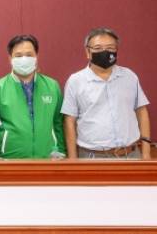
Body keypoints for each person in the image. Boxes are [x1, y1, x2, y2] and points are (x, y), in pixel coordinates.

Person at [61, 27, 151, 159]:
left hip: (131, 154)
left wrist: (146, 153)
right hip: (92, 157)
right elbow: (69, 121)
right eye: (98, 48)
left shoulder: (129, 76)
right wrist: (73, 159)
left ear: (116, 50)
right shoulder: (75, 81)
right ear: (88, 52)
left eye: (110, 48)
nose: (104, 52)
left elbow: (142, 112)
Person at [0, 35, 66, 159]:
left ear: (36, 57)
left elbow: (58, 124)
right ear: (10, 58)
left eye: (29, 55)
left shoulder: (52, 87)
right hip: (9, 161)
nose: (24, 59)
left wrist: (61, 152)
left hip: (48, 160)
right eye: (18, 56)